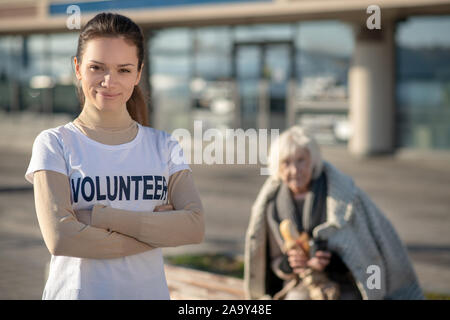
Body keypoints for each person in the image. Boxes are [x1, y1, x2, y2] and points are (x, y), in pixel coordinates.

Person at [24, 12, 204, 300]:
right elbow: (61, 238)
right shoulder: (54, 144)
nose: (109, 81)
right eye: (97, 67)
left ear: (138, 73)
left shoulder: (165, 146)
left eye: (123, 69)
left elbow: (194, 227)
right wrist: (157, 232)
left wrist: (99, 217)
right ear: (78, 68)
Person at [244, 126, 424, 300]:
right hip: (299, 286)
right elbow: (274, 261)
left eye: (301, 160)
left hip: (346, 284)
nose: (295, 170)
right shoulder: (273, 206)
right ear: (277, 166)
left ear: (312, 161)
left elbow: (366, 254)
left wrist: (331, 263)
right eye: (286, 162)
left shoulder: (343, 197)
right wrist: (288, 265)